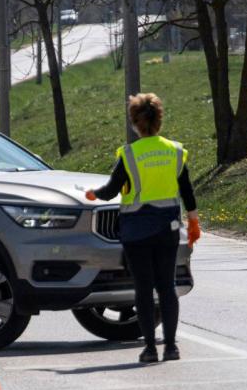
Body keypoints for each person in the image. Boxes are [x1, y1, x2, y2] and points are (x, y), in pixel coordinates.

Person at [86, 93, 201, 364]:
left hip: (136, 233)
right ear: (159, 120)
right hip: (167, 230)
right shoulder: (174, 151)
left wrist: (92, 194)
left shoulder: (129, 154)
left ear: (135, 123)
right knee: (167, 287)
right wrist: (194, 222)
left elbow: (110, 190)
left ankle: (149, 349)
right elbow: (187, 191)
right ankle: (171, 347)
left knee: (143, 290)